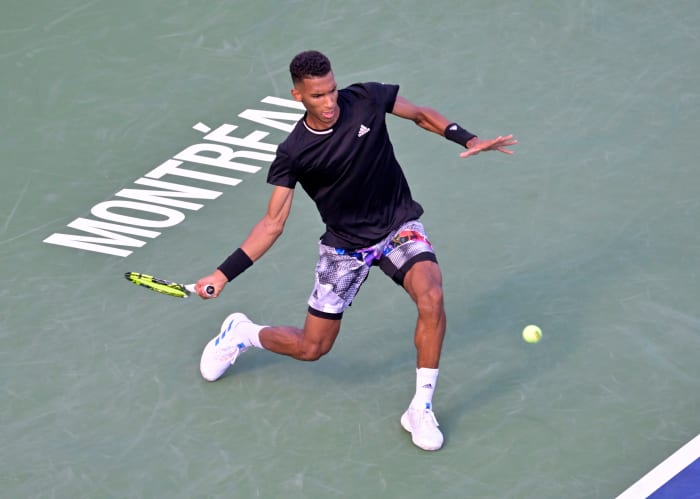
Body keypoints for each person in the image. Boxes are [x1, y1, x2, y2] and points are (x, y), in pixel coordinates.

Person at [194, 50, 516, 451]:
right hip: (345, 248)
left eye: (331, 91)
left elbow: (419, 114)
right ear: (298, 96)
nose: (329, 103)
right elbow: (272, 223)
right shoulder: (295, 152)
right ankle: (241, 334)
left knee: (431, 296)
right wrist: (222, 274)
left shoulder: (365, 98)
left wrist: (467, 137)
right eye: (317, 97)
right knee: (313, 348)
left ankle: (420, 407)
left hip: (399, 226)